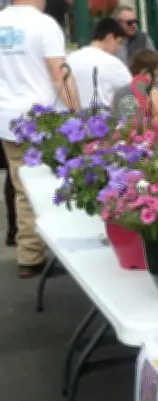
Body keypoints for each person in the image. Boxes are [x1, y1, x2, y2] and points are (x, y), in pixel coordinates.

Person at [0, 0, 81, 278]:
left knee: (22, 187)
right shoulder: (44, 24)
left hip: (6, 117)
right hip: (41, 119)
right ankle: (42, 253)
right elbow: (61, 76)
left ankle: (29, 255)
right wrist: (78, 115)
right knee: (48, 188)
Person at [67, 18, 132, 109]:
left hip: (71, 120)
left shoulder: (70, 59)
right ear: (110, 38)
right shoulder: (113, 63)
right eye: (119, 42)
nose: (119, 48)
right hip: (102, 120)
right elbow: (133, 93)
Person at [112, 49, 158, 124]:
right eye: (157, 75)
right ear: (145, 73)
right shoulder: (153, 93)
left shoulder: (118, 93)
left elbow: (113, 119)